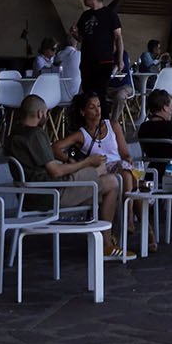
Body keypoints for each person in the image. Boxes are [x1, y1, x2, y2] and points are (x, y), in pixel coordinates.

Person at [6, 94, 120, 233]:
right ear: (40, 113)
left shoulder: (13, 134)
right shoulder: (35, 134)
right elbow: (56, 171)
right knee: (110, 179)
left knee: (103, 184)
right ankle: (107, 244)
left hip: (29, 195)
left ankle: (106, 237)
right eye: (46, 113)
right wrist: (87, 162)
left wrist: (69, 161)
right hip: (51, 194)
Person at [53, 90, 139, 258]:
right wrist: (70, 160)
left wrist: (128, 160)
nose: (97, 110)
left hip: (122, 168)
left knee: (127, 173)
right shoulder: (81, 134)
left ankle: (130, 225)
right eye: (92, 107)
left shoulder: (112, 125)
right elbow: (55, 148)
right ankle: (128, 225)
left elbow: (125, 153)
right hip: (102, 170)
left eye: (99, 106)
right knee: (126, 178)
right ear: (83, 112)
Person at [74, 0, 122, 101]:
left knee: (101, 94)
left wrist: (120, 59)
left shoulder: (110, 15)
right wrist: (74, 34)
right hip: (86, 62)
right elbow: (82, 38)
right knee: (87, 94)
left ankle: (103, 119)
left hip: (104, 61)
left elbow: (118, 38)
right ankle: (88, 119)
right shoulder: (85, 15)